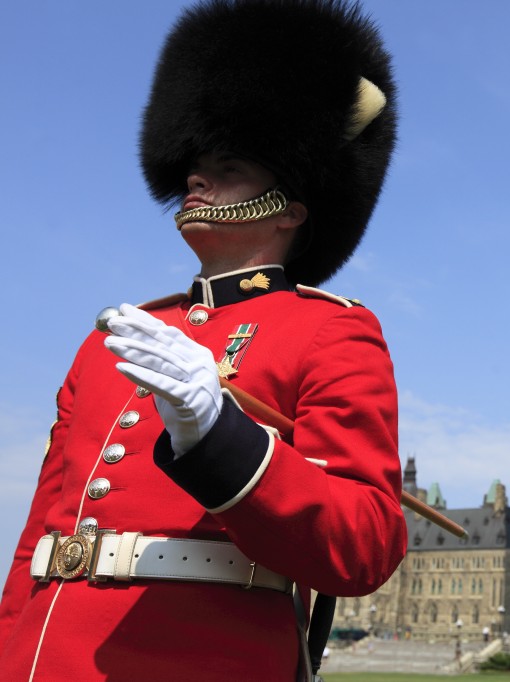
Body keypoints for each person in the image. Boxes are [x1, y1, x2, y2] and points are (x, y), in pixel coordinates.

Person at [0, 1, 404, 680]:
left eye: (230, 166)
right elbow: (41, 538)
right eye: (195, 163)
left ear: (291, 207)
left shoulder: (332, 330)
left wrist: (221, 440)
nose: (196, 178)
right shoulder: (112, 340)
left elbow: (363, 540)